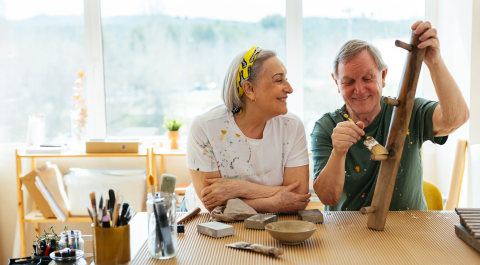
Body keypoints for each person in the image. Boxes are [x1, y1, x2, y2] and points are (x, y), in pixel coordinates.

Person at [311, 21, 470, 211]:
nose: (359, 90)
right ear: (336, 82)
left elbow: (457, 117)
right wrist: (338, 152)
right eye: (348, 81)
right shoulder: (326, 127)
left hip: (411, 230)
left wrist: (435, 62)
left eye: (368, 78)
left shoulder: (408, 110)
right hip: (348, 232)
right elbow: (328, 198)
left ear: (383, 76)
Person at [182, 47, 311, 213]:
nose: (289, 88)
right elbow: (214, 206)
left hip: (269, 220)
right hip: (203, 221)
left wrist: (239, 188)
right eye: (279, 80)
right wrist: (272, 202)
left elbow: (297, 197)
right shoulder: (205, 127)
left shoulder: (291, 126)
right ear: (249, 89)